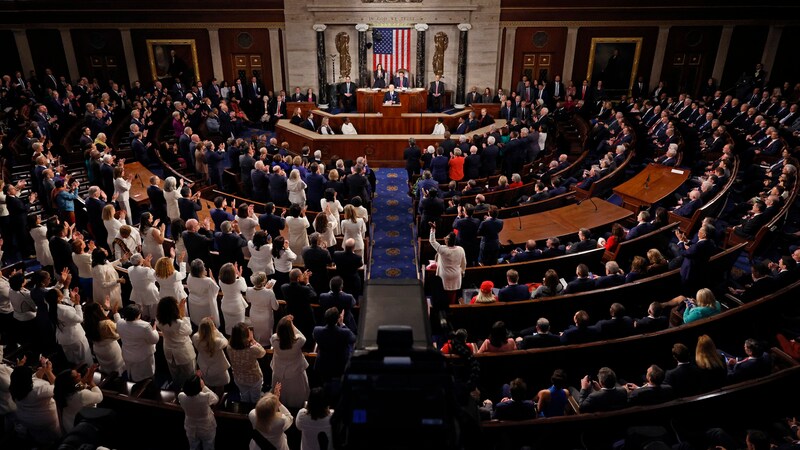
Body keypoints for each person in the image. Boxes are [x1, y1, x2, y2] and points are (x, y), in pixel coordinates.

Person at [9, 359, 60, 445]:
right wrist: (48, 372)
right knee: (55, 439)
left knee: (40, 438)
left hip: (27, 421)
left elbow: (34, 377)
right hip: (46, 421)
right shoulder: (39, 390)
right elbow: (59, 387)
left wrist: (43, 369)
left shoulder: (15, 387)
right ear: (28, 380)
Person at [47, 286, 94, 367]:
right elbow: (79, 319)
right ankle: (89, 372)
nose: (62, 294)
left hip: (63, 339)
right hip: (75, 338)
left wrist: (71, 296)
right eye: (60, 293)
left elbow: (66, 306)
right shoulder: (64, 311)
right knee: (85, 358)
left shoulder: (51, 306)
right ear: (58, 298)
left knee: (72, 359)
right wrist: (78, 304)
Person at [271, 316, 310, 409]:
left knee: (281, 395)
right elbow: (302, 336)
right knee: (296, 395)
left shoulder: (274, 340)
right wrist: (292, 325)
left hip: (279, 372)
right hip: (295, 373)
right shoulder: (298, 341)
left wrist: (286, 323)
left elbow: (279, 335)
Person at [157, 296, 196, 388]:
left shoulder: (159, 321)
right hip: (183, 351)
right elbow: (189, 331)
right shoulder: (179, 323)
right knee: (189, 374)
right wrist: (182, 314)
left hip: (169, 350)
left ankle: (177, 391)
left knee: (175, 374)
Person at [116, 304, 160, 382]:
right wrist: (154, 330)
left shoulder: (120, 323)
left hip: (127, 354)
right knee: (147, 376)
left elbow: (118, 319)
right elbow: (154, 340)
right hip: (143, 357)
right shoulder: (145, 326)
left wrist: (115, 312)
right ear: (138, 315)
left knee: (133, 374)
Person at [53, 364, 103, 433]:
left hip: (68, 424)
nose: (80, 374)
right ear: (71, 382)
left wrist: (87, 376)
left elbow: (78, 386)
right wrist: (91, 382)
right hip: (79, 428)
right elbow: (100, 397)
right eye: (77, 376)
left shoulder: (63, 391)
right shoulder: (82, 394)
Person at [177, 373, 219, 450]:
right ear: (199, 387)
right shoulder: (205, 396)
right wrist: (204, 387)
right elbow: (216, 399)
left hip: (190, 426)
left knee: (193, 446)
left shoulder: (181, 396)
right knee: (208, 445)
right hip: (206, 426)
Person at [83, 301, 125, 375]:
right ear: (97, 311)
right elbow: (120, 329)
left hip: (98, 349)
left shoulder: (87, 322)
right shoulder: (106, 324)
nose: (102, 307)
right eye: (101, 307)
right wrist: (115, 313)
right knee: (117, 369)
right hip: (110, 349)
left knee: (107, 368)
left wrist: (107, 309)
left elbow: (100, 321)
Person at [429, 223, 467, 304]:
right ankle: (451, 309)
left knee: (442, 294)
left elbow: (432, 241)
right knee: (453, 295)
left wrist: (432, 230)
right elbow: (464, 263)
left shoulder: (442, 249)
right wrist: (462, 271)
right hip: (456, 275)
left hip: (444, 276)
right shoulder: (461, 249)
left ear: (447, 240)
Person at [247, 272, 280, 346]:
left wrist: (266, 289)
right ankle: (267, 347)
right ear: (264, 281)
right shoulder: (269, 292)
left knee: (256, 331)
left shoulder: (248, 290)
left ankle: (256, 345)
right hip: (266, 316)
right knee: (267, 334)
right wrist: (270, 289)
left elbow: (249, 300)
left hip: (254, 314)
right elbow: (276, 307)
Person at [186, 259, 221, 328]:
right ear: (200, 271)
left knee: (197, 320)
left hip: (193, 302)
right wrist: (212, 277)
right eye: (203, 267)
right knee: (207, 324)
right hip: (205, 305)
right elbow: (216, 290)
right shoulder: (208, 281)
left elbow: (189, 287)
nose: (205, 268)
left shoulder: (190, 276)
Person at [219, 262, 249, 336]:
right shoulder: (238, 281)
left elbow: (230, 281)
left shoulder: (220, 281)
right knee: (240, 327)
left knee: (229, 326)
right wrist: (240, 276)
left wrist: (236, 276)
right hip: (237, 307)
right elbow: (245, 289)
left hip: (225, 306)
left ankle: (230, 338)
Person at [127, 253, 159, 321]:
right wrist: (149, 265)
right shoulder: (146, 270)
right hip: (150, 293)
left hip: (138, 292)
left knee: (144, 313)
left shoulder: (129, 269)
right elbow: (155, 277)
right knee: (153, 313)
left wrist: (145, 265)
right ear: (140, 261)